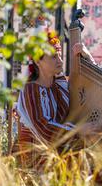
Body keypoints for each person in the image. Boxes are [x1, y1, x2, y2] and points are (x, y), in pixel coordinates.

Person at [15, 31, 96, 170]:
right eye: (53, 56)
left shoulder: (59, 83)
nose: (60, 60)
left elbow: (88, 85)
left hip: (59, 156)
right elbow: (45, 128)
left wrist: (87, 56)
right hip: (34, 163)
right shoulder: (30, 90)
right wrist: (77, 131)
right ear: (38, 60)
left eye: (59, 55)